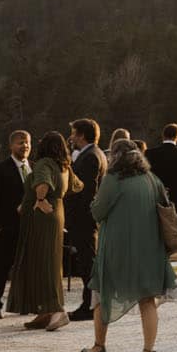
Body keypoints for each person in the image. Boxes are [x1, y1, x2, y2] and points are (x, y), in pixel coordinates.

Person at [82, 135, 176, 352]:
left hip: (118, 248)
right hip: (151, 248)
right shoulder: (152, 179)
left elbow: (98, 212)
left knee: (101, 292)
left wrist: (94, 203)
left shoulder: (113, 179)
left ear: (114, 157)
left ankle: (99, 345)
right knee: (147, 300)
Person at [14, 131, 75, 331]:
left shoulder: (44, 164)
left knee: (43, 264)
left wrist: (40, 200)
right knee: (51, 262)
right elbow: (77, 186)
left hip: (44, 216)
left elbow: (42, 184)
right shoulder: (64, 166)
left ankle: (56, 310)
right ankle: (44, 312)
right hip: (58, 212)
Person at [0, 128, 32, 319]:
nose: (24, 146)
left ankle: (25, 303)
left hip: (31, 228)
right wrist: (0, 226)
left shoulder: (35, 168)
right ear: (11, 146)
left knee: (28, 267)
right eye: (20, 142)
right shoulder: (0, 170)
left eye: (27, 142)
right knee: (1, 267)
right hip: (8, 227)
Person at [65, 118, 105, 321]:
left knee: (87, 263)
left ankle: (90, 305)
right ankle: (92, 303)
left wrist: (79, 215)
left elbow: (88, 191)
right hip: (86, 218)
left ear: (81, 135)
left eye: (73, 133)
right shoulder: (96, 154)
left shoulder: (90, 157)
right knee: (88, 261)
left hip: (84, 218)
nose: (71, 137)